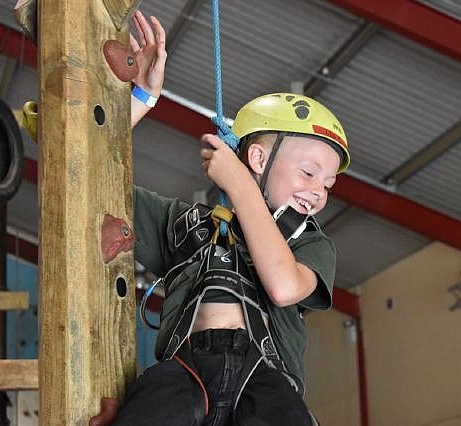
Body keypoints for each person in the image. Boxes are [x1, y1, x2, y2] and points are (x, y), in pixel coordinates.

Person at [100, 11, 351, 426]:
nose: (319, 192)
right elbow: (93, 182)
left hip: (266, 381)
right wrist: (142, 98)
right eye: (309, 173)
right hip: (183, 375)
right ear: (258, 159)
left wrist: (240, 184)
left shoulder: (309, 243)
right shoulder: (185, 228)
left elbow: (284, 286)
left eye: (328, 184)